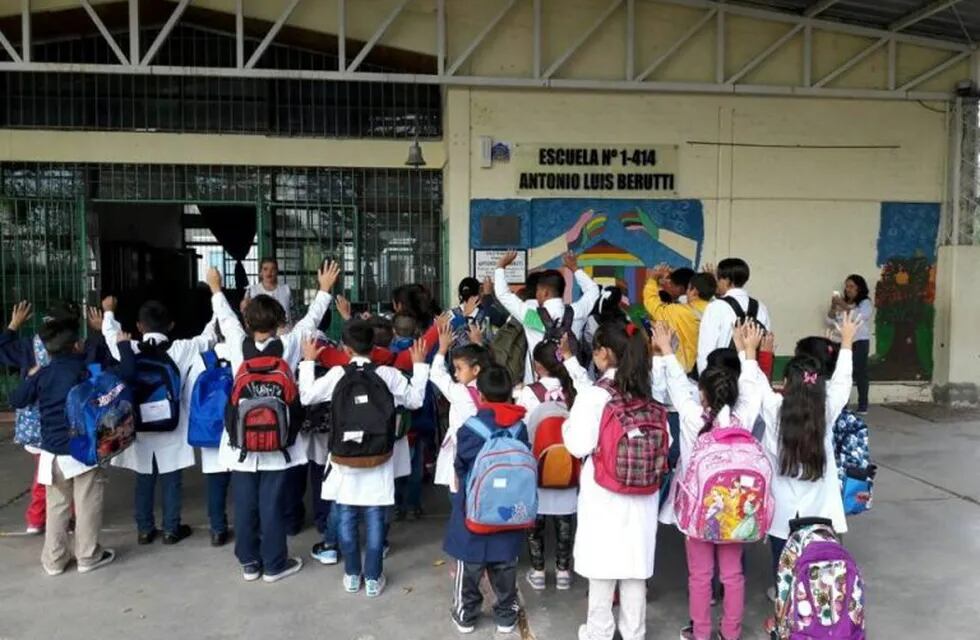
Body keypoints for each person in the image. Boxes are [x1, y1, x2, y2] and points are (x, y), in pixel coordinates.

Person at [216, 259, 340, 583]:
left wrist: (216, 289)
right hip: (278, 444)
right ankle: (274, 564)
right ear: (280, 321)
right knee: (272, 505)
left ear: (247, 321)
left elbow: (225, 318)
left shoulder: (235, 344)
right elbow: (311, 322)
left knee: (244, 504)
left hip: (240, 445)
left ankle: (249, 563)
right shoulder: (287, 344)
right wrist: (324, 289)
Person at [299, 320, 429, 598]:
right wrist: (419, 366)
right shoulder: (387, 374)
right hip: (378, 456)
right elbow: (416, 400)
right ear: (374, 347)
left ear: (346, 349)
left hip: (344, 457)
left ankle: (351, 575)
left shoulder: (336, 374)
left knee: (345, 515)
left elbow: (307, 396)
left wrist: (308, 362)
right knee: (374, 515)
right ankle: (372, 578)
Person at [653, 322, 764, 640]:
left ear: (701, 393)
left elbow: (675, 382)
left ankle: (700, 633)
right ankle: (731, 633)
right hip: (737, 511)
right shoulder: (744, 417)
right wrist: (749, 351)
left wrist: (667, 349)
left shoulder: (691, 416)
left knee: (700, 576)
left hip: (699, 512)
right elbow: (753, 386)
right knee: (733, 574)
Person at [101, 279, 228, 546]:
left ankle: (145, 530)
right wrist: (218, 306)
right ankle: (171, 529)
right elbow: (208, 337)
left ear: (138, 326)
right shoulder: (180, 349)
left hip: (141, 424)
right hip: (172, 423)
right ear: (170, 325)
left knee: (144, 478)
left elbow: (110, 337)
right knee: (172, 478)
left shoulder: (131, 349)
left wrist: (109, 312)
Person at [9, 312, 136, 576]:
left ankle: (54, 560)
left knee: (57, 506)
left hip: (52, 451)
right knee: (87, 503)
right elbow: (126, 375)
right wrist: (123, 345)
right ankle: (88, 556)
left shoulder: (42, 374)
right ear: (77, 346)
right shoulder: (85, 372)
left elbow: (17, 399)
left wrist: (31, 375)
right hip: (84, 450)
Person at [561, 322, 659, 640]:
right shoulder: (648, 392)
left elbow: (577, 445)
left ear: (604, 353)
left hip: (603, 491)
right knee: (634, 567)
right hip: (644, 493)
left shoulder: (594, 396)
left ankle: (599, 631)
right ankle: (634, 632)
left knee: (602, 565)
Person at [750, 312, 862, 589]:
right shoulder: (826, 411)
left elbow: (755, 385)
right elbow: (843, 382)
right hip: (821, 514)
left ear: (786, 385)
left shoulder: (775, 411)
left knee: (783, 571)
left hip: (782, 517)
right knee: (818, 573)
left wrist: (751, 351)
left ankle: (782, 617)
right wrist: (847, 340)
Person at [445, 364, 529, 634]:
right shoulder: (520, 427)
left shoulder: (471, 427)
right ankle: (505, 615)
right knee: (505, 561)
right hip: (510, 508)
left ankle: (466, 614)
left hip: (474, 507)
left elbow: (461, 465)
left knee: (469, 562)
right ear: (509, 394)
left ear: (479, 394)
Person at [0, 300, 95, 535]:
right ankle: (62, 517)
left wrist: (13, 325)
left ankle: (37, 519)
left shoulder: (28, 346)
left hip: (35, 426)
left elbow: (3, 351)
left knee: (46, 475)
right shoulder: (78, 351)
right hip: (69, 424)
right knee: (72, 473)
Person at [517, 340, 578, 592]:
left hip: (536, 464)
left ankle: (539, 571)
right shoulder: (574, 390)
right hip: (568, 463)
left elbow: (524, 428)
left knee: (536, 521)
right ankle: (564, 571)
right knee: (565, 519)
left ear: (537, 366)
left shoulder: (528, 393)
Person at [493, 250, 601, 383]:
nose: (536, 294)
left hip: (537, 388)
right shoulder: (577, 312)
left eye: (538, 290)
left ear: (545, 292)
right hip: (571, 386)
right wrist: (575, 268)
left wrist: (500, 267)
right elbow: (593, 291)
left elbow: (503, 294)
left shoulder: (531, 316)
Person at [430, 319, 492, 493]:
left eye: (458, 368)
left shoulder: (459, 393)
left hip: (462, 451)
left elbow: (437, 374)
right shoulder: (493, 388)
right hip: (487, 449)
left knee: (460, 496)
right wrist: (478, 344)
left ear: (475, 370)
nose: (455, 374)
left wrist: (442, 349)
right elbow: (490, 367)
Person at [697, 258, 771, 374]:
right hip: (753, 375)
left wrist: (705, 380)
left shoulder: (715, 307)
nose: (716, 283)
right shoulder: (761, 307)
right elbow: (765, 345)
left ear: (726, 280)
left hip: (723, 378)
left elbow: (705, 350)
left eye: (718, 278)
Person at [644, 269, 716, 375]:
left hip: (682, 370)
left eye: (688, 288)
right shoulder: (718, 310)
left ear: (694, 291)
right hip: (709, 371)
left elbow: (653, 305)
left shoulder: (678, 312)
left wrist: (652, 280)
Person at [827, 274, 873, 414]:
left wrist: (844, 305)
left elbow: (861, 316)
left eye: (851, 286)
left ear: (859, 288)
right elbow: (830, 320)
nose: (848, 289)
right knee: (843, 372)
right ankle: (843, 404)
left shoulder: (865, 303)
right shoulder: (843, 303)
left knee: (860, 372)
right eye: (846, 286)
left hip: (859, 341)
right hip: (842, 341)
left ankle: (862, 405)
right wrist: (834, 307)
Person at [242, 257, 292, 324]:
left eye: (273, 269)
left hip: (284, 331)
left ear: (277, 271)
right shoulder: (251, 291)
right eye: (265, 269)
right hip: (261, 332)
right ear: (261, 272)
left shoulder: (286, 290)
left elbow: (293, 312)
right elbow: (246, 316)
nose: (269, 272)